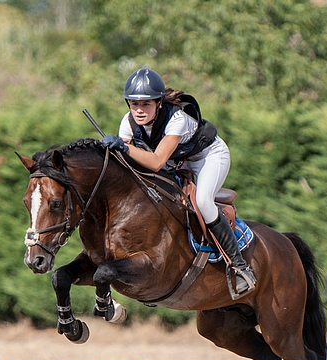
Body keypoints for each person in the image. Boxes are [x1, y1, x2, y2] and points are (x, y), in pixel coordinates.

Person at [100, 68, 256, 297]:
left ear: (159, 103)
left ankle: (240, 267)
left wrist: (124, 146)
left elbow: (155, 161)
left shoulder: (177, 119)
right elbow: (127, 164)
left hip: (208, 157)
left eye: (146, 105)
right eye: (134, 104)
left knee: (203, 201)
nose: (139, 111)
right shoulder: (128, 122)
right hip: (177, 163)